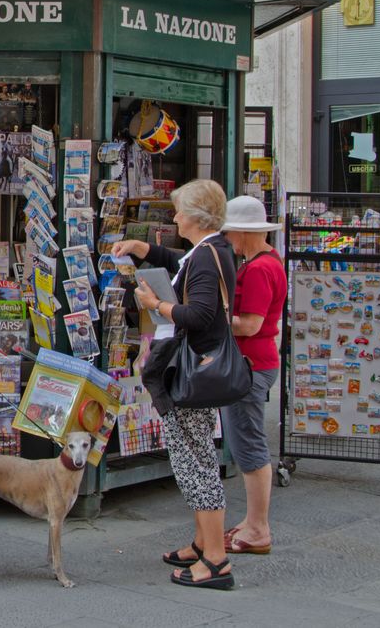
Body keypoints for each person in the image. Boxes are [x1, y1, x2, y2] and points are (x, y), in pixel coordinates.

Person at [112, 179, 237, 591]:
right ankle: (204, 543)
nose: (175, 217)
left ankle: (216, 560)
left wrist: (157, 306)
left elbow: (199, 315)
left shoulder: (206, 257)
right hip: (198, 369)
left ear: (197, 217)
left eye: (180, 211)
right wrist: (140, 248)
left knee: (195, 463)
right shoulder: (211, 250)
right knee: (196, 456)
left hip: (191, 375)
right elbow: (178, 261)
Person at [219, 195, 287, 555]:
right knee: (247, 442)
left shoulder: (259, 268)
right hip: (257, 363)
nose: (228, 239)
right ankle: (253, 522)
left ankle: (259, 527)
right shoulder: (269, 260)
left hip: (251, 365)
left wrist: (213, 318)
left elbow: (250, 325)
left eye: (230, 232)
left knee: (249, 445)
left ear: (244, 233)